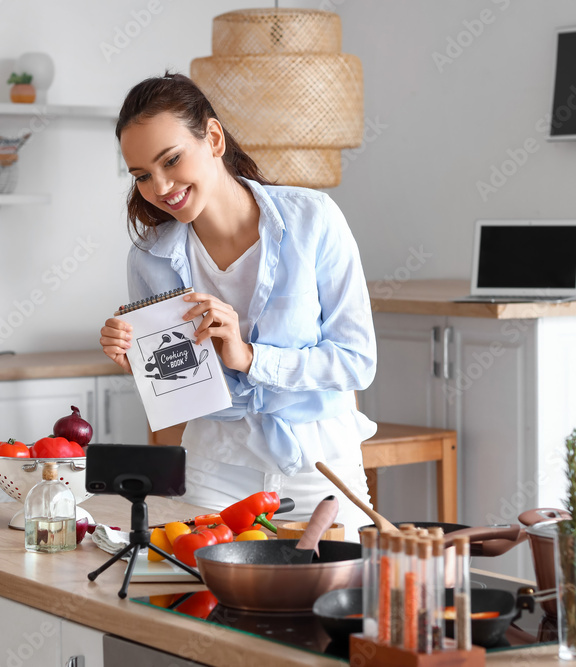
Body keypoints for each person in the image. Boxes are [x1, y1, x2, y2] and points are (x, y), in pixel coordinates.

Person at [100, 72, 378, 540]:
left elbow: (357, 362)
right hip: (215, 469)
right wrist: (143, 365)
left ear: (212, 138)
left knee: (341, 598)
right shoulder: (148, 257)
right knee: (205, 608)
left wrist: (250, 357)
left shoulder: (314, 221)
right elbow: (178, 396)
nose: (161, 186)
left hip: (321, 464)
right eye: (143, 175)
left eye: (171, 160)